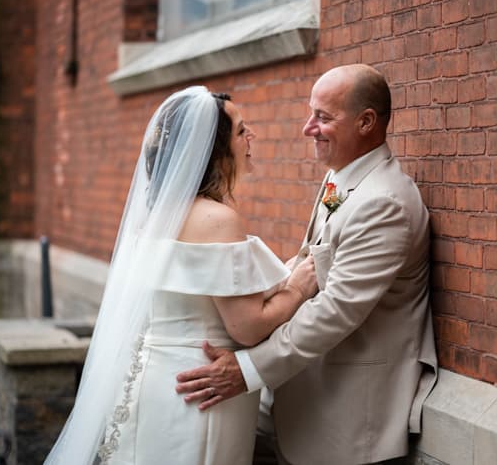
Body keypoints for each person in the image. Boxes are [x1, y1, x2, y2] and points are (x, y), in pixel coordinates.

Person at [176, 64, 438, 464]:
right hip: (305, 404)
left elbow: (336, 310)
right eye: (311, 112)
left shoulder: (383, 203)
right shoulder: (341, 179)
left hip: (348, 422)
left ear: (366, 122)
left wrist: (247, 370)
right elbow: (310, 260)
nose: (307, 128)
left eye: (323, 117)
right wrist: (254, 302)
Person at [44, 86, 318, 465]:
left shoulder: (154, 217)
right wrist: (299, 289)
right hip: (200, 390)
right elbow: (247, 327)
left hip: (151, 380)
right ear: (213, 149)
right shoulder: (218, 220)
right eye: (241, 130)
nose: (250, 137)